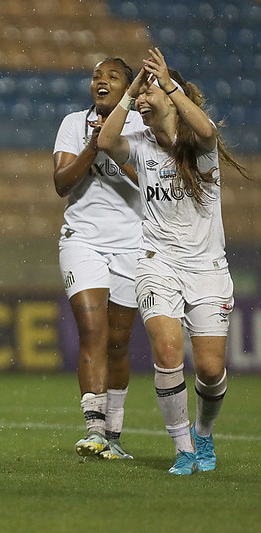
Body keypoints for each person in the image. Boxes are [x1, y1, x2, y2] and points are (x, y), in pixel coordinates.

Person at [98, 47, 249, 475]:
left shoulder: (198, 146)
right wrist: (131, 91)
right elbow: (105, 141)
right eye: (139, 97)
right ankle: (183, 449)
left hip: (206, 268)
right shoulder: (141, 145)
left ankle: (203, 431)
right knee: (167, 352)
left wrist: (166, 83)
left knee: (211, 370)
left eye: (148, 95)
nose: (142, 103)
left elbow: (206, 131)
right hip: (156, 262)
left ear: (170, 93)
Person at [52, 58, 144, 460]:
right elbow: (61, 183)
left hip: (132, 242)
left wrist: (113, 143)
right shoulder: (74, 123)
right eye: (96, 76)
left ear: (129, 89)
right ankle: (94, 429)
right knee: (93, 331)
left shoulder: (142, 126)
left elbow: (150, 180)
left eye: (112, 76)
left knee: (120, 343)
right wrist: (93, 143)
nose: (100, 81)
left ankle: (115, 436)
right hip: (82, 239)